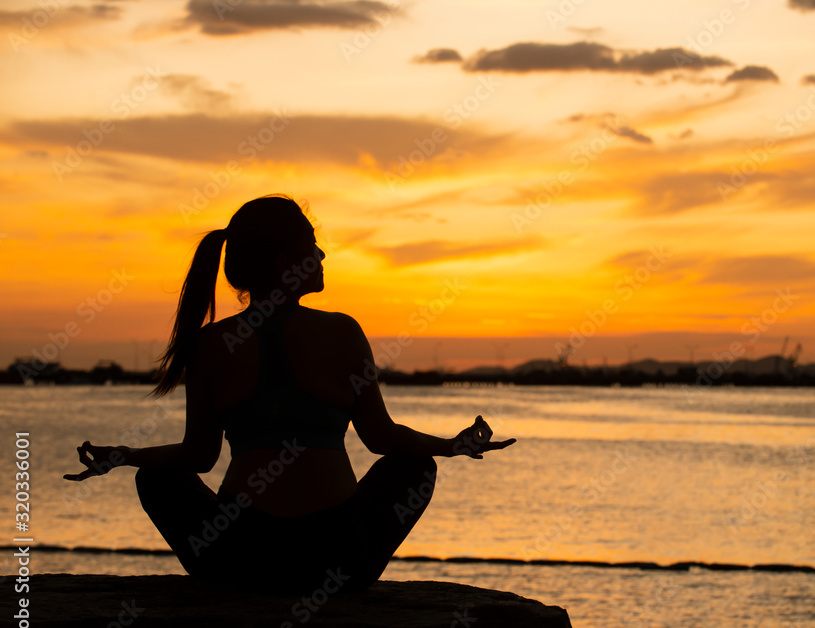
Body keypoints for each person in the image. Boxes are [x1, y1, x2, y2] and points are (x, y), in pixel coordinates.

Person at [64, 194, 515, 593]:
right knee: (415, 467)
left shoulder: (211, 343)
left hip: (239, 554)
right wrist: (450, 447)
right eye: (311, 244)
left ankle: (233, 583)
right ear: (284, 261)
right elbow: (382, 438)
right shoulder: (342, 332)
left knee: (154, 477)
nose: (321, 254)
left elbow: (198, 456)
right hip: (336, 558)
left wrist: (127, 454)